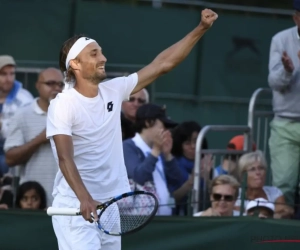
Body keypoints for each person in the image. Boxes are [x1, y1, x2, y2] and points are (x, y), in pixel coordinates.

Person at [46, 9, 218, 250]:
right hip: (76, 207)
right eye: (94, 54)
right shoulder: (63, 104)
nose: (103, 58)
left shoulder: (113, 90)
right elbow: (65, 157)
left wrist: (201, 29)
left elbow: (162, 65)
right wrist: (84, 198)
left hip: (110, 206)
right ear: (75, 64)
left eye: (102, 52)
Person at [4, 68, 64, 207]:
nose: (57, 88)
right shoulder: (22, 115)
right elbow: (10, 159)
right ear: (37, 85)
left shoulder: (76, 115)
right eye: (50, 83)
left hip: (68, 202)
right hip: (34, 201)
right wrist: (40, 139)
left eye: (61, 84)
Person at [268, 0, 300, 211]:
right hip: (286, 124)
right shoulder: (281, 39)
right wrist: (288, 70)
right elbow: (274, 83)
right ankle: (283, 241)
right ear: (296, 17)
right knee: (283, 189)